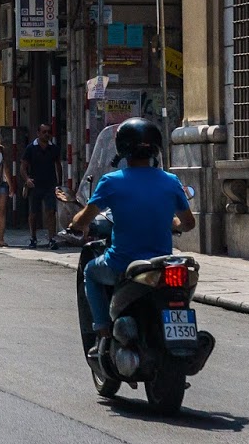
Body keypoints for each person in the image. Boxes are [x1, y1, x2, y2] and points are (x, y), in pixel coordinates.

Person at [69, 118, 194, 354]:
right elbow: (188, 223)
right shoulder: (171, 181)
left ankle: (102, 330)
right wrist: (171, 223)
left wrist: (76, 224)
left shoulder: (111, 181)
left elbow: (83, 219)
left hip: (122, 264)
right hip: (160, 264)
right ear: (155, 149)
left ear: (122, 149)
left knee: (91, 272)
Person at [22, 123, 62, 248]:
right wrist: (27, 179)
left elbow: (58, 165)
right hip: (35, 185)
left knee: (51, 211)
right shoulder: (31, 148)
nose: (46, 134)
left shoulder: (54, 148)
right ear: (38, 133)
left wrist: (59, 183)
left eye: (48, 132)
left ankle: (52, 239)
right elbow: (23, 167)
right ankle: (33, 238)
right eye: (44, 132)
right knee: (33, 213)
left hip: (50, 184)